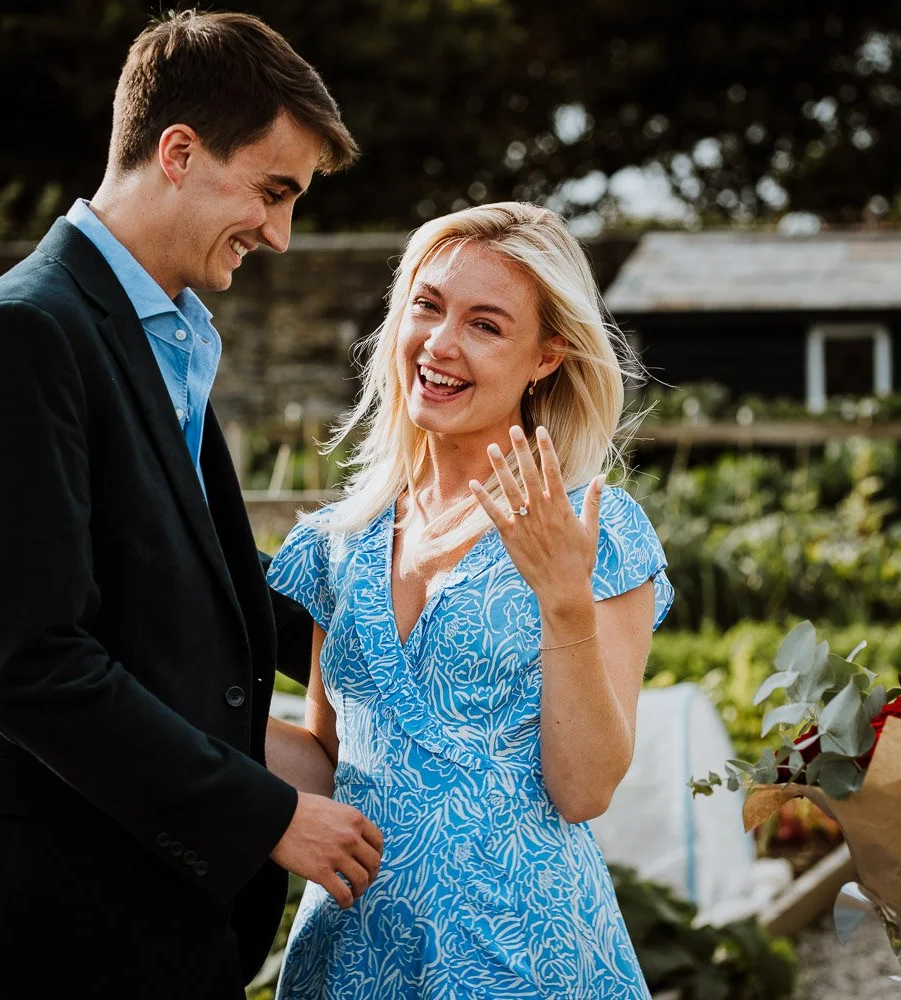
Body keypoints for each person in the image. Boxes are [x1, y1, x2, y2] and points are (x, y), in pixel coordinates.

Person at [0, 12, 383, 998]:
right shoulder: (20, 335)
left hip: (137, 914)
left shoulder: (160, 334)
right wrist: (266, 813)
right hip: (26, 928)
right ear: (178, 153)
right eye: (273, 191)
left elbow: (181, 581)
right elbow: (31, 663)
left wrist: (403, 609)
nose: (279, 234)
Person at [264, 202, 674, 998]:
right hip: (355, 957)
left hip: (524, 958)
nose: (440, 344)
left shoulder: (596, 529)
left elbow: (585, 789)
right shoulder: (338, 539)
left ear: (547, 356)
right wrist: (179, 714)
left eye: (485, 325)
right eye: (428, 306)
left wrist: (563, 598)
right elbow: (330, 763)